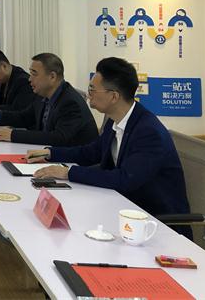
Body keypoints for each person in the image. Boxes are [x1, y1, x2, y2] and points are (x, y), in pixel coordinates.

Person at [30, 57, 191, 234]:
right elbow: (91, 152)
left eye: (92, 89)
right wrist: (50, 153)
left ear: (114, 96)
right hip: (123, 207)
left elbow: (125, 179)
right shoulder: (116, 121)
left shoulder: (148, 131)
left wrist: (68, 173)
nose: (89, 94)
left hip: (154, 224)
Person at [0, 53, 98, 146]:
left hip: (74, 162)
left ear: (52, 77)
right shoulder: (41, 95)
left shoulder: (70, 102)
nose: (29, 79)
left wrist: (13, 135)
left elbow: (58, 138)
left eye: (34, 74)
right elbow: (24, 118)